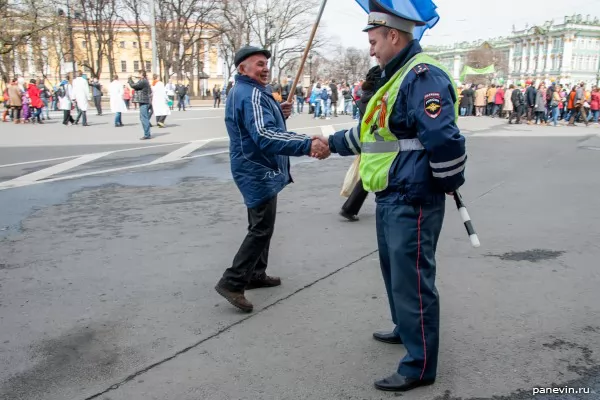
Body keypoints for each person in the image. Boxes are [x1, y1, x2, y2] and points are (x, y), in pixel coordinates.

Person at [314, 0, 466, 391]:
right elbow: (373, 136)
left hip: (413, 194)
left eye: (374, 39)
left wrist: (447, 181)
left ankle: (420, 365)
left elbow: (444, 137)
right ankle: (405, 327)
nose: (370, 47)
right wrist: (329, 143)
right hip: (391, 191)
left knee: (413, 279)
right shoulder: (393, 77)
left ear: (393, 36)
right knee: (395, 273)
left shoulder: (421, 75)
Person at [214, 46, 329, 313]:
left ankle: (256, 274)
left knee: (262, 224)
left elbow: (259, 121)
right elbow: (264, 135)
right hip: (257, 169)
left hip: (256, 167)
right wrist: (307, 143)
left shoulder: (250, 91)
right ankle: (232, 282)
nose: (265, 68)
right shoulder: (249, 93)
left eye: (266, 63)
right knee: (261, 228)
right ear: (242, 69)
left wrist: (279, 110)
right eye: (258, 64)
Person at [339, 65, 381, 222]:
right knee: (372, 174)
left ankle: (350, 207)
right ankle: (350, 207)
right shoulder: (377, 97)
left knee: (369, 173)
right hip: (376, 139)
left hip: (366, 137)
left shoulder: (365, 95)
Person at [128, 70, 152, 140]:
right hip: (143, 101)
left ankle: (147, 134)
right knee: (143, 118)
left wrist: (129, 79)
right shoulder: (142, 80)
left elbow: (133, 86)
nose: (137, 75)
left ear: (141, 74)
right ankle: (147, 133)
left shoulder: (143, 81)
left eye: (138, 73)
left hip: (144, 102)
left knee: (144, 118)